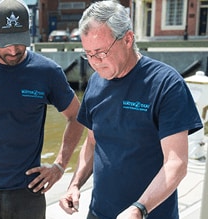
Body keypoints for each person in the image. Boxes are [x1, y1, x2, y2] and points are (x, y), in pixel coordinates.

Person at [59, 1, 203, 219]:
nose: (95, 63)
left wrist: (139, 209)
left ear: (128, 39)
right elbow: (92, 143)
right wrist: (75, 184)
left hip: (151, 213)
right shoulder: (96, 83)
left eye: (101, 52)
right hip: (99, 213)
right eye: (88, 54)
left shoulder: (166, 83)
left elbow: (177, 163)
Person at [0, 0, 84, 218]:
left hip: (28, 194)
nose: (13, 49)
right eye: (6, 42)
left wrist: (59, 166)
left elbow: (76, 115)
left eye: (19, 41)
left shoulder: (47, 72)